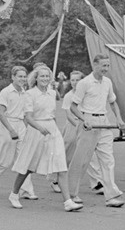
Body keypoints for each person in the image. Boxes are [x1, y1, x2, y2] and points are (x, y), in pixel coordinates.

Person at [7, 65, 83, 212]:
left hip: (52, 131)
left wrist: (53, 130)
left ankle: (67, 202)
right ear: (36, 78)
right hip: (36, 131)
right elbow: (28, 117)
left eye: (47, 76)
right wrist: (40, 128)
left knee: (61, 165)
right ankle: (14, 194)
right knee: (28, 167)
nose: (45, 79)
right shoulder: (29, 94)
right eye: (42, 76)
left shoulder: (52, 93)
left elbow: (53, 113)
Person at [67, 53, 125, 208]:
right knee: (81, 161)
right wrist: (83, 119)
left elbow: (113, 103)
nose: (105, 69)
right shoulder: (85, 83)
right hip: (88, 122)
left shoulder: (107, 82)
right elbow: (73, 107)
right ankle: (71, 195)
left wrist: (119, 119)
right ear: (95, 65)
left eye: (108, 66)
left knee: (108, 160)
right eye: (103, 66)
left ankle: (111, 196)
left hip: (104, 122)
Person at [0, 66, 36, 199]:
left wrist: (25, 129)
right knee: (4, 160)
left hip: (20, 125)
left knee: (24, 157)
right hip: (7, 125)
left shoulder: (25, 93)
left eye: (24, 76)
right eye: (20, 76)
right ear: (13, 77)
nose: (22, 79)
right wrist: (11, 130)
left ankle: (26, 190)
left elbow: (25, 114)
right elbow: (0, 114)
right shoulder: (6, 92)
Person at [57, 70, 104, 195]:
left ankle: (96, 182)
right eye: (72, 80)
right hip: (73, 126)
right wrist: (78, 125)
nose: (74, 82)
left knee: (89, 155)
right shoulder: (69, 96)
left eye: (77, 80)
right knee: (68, 155)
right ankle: (56, 179)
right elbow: (69, 114)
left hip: (85, 126)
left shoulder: (86, 93)